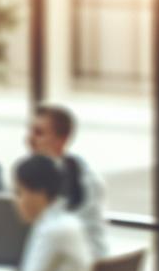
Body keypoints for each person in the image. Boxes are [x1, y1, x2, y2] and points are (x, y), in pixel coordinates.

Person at [28, 103, 108, 259]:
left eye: (38, 133)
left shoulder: (85, 182)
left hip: (84, 266)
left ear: (62, 140)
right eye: (30, 131)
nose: (30, 138)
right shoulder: (36, 176)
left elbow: (59, 235)